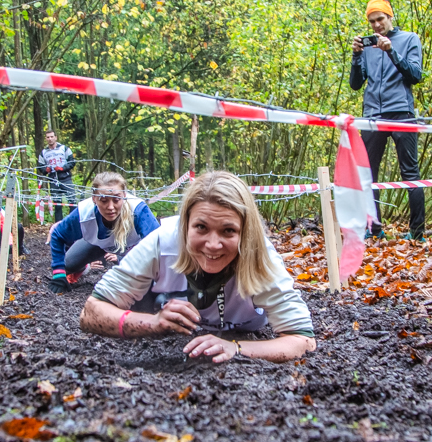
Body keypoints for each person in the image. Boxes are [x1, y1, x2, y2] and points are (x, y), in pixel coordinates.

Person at [79, 171, 316, 364]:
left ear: (246, 233)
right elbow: (91, 312)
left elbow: (303, 339)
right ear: (185, 225)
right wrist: (153, 324)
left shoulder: (260, 255)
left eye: (228, 230)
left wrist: (236, 348)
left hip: (245, 331)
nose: (213, 245)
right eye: (201, 227)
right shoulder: (162, 241)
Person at [350, 0, 425, 241]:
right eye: (372, 21)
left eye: (380, 19)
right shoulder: (367, 46)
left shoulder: (409, 39)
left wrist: (391, 51)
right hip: (372, 115)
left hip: (401, 113)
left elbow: (415, 75)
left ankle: (417, 233)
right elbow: (355, 84)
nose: (376, 25)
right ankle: (374, 230)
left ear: (390, 17)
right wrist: (356, 56)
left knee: (410, 173)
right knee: (369, 174)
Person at [48, 172, 160, 293]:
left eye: (116, 199)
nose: (110, 207)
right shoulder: (84, 213)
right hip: (98, 245)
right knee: (67, 265)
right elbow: (57, 235)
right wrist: (58, 274)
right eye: (104, 200)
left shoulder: (138, 211)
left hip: (134, 250)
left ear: (124, 195)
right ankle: (85, 266)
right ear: (94, 199)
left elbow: (159, 244)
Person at [37, 129, 76, 222]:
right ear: (46, 139)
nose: (50, 139)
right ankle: (59, 224)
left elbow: (72, 162)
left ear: (55, 137)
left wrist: (63, 168)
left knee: (72, 200)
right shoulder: (43, 152)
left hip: (65, 178)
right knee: (57, 204)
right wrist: (45, 170)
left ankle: (73, 222)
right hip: (53, 179)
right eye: (48, 137)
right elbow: (40, 166)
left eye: (51, 137)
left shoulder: (64, 148)